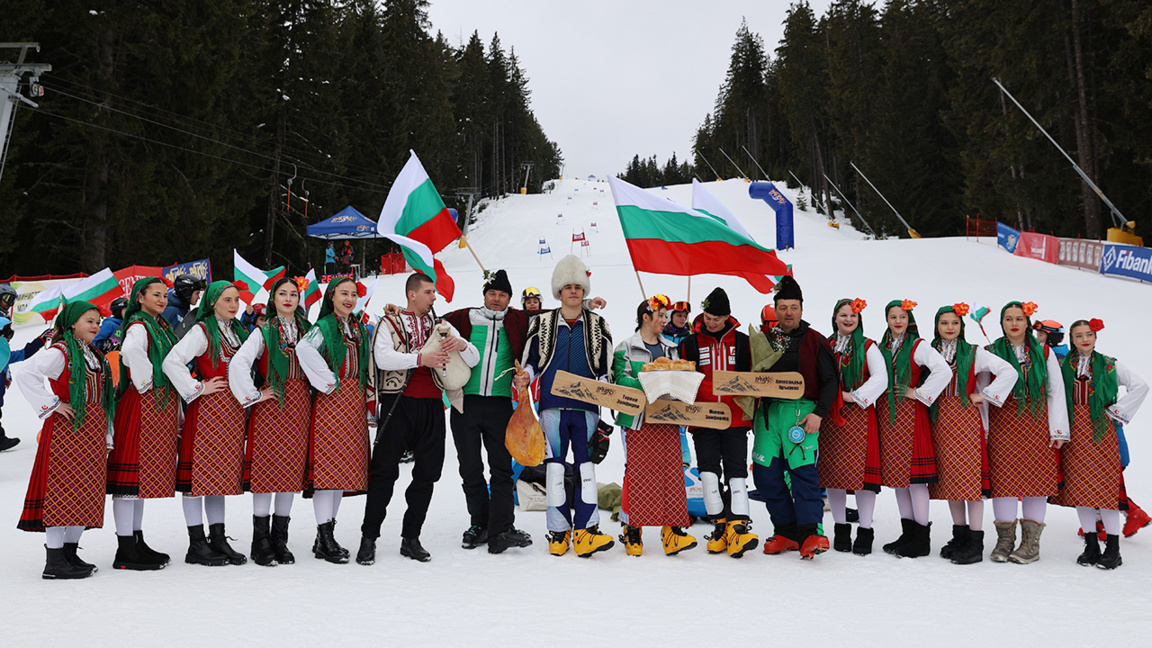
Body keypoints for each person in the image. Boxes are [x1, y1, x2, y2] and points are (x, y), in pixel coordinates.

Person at [359, 272, 479, 563]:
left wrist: (460, 345)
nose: (434, 297)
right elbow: (382, 357)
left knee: (427, 474)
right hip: (397, 403)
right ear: (412, 294)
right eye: (429, 292)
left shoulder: (441, 327)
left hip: (432, 407)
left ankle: (410, 538)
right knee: (384, 473)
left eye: (434, 292)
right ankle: (369, 537)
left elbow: (473, 358)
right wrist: (420, 359)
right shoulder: (390, 322)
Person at [514, 255, 614, 557]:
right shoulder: (543, 322)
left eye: (578, 287)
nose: (573, 292)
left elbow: (606, 366)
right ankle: (558, 532)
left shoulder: (598, 323)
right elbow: (532, 361)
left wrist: (609, 387)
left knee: (585, 468)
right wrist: (525, 378)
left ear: (584, 291)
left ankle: (587, 530)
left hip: (586, 408)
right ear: (558, 292)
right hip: (552, 407)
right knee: (555, 468)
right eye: (567, 287)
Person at [14, 301, 115, 579]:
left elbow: (102, 398)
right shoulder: (61, 352)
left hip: (91, 428)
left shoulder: (93, 353)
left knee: (86, 489)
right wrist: (52, 404)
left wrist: (106, 432)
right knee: (62, 490)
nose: (95, 326)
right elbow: (25, 372)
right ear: (72, 323)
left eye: (97, 321)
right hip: (67, 430)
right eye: (89, 321)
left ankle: (70, 553)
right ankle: (55, 560)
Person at [442, 269, 532, 554]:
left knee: (502, 469)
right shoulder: (464, 317)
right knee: (470, 468)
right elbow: (428, 320)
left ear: (509, 298)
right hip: (465, 404)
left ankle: (502, 528)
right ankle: (479, 523)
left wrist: (589, 305)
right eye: (492, 294)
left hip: (500, 404)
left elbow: (547, 314)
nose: (496, 299)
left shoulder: (518, 320)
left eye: (502, 295)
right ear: (484, 295)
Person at [162, 280, 250, 566]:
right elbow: (172, 361)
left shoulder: (237, 330)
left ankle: (218, 538)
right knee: (196, 479)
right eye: (227, 300)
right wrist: (197, 387)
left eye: (236, 300)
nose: (234, 305)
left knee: (218, 479)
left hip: (232, 412)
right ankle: (196, 543)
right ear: (213, 302)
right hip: (208, 411)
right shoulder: (202, 330)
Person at [229, 277, 313, 566]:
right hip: (273, 404)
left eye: (293, 294)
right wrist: (254, 394)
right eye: (282, 294)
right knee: (267, 472)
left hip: (300, 404)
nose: (288, 298)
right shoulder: (264, 330)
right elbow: (239, 362)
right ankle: (260, 541)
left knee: (290, 471)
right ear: (273, 299)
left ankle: (280, 539)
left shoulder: (308, 330)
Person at [753, 277, 839, 559]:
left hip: (801, 415)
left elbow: (830, 381)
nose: (788, 312)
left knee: (803, 475)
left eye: (794, 307)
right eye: (783, 307)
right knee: (766, 477)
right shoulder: (765, 340)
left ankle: (811, 532)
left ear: (801, 309)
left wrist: (819, 414)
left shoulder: (815, 341)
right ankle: (786, 531)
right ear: (775, 310)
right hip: (768, 416)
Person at [1053, 319, 1148, 569]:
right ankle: (1092, 545)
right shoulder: (1063, 365)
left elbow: (1141, 385)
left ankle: (1113, 549)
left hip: (1101, 433)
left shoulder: (1109, 365)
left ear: (1095, 338)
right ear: (1071, 339)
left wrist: (1116, 412)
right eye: (1078, 335)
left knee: (1105, 491)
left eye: (1089, 335)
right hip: (1074, 432)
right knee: (1080, 490)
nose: (1084, 339)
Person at [928, 304, 1017, 565]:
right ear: (937, 326)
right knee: (950, 481)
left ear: (961, 326)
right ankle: (961, 535)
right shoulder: (931, 351)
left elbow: (1008, 371)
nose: (950, 327)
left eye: (954, 323)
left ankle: (975, 541)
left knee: (969, 482)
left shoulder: (974, 352)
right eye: (944, 323)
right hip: (939, 419)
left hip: (965, 419)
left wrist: (986, 395)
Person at [984, 301, 1069, 564]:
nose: (1013, 324)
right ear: (1002, 323)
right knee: (1004, 482)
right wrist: (984, 429)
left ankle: (1031, 544)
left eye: (1019, 319)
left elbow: (1056, 390)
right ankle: (1005, 540)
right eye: (1008, 319)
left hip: (1036, 423)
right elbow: (984, 393)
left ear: (1027, 323)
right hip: (1003, 422)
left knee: (1035, 482)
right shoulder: (991, 351)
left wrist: (1058, 430)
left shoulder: (1043, 352)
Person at [295, 277, 372, 564]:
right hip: (332, 401)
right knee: (328, 471)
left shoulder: (358, 327)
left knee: (342, 472)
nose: (350, 299)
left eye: (353, 294)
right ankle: (325, 536)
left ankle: (324, 537)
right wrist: (326, 380)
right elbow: (304, 349)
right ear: (332, 296)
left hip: (352, 403)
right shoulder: (325, 325)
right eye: (344, 294)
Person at [106, 277, 181, 570]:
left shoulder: (157, 325)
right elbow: (131, 352)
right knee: (130, 478)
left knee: (140, 479)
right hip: (142, 404)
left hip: (154, 405)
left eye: (165, 295)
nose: (162, 300)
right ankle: (125, 549)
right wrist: (146, 382)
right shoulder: (138, 325)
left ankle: (135, 540)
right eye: (156, 295)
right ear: (140, 297)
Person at [613, 295, 697, 557]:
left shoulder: (672, 348)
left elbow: (682, 382)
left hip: (666, 418)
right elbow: (620, 382)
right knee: (636, 473)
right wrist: (654, 381)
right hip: (636, 419)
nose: (664, 320)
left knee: (671, 472)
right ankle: (632, 529)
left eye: (665, 315)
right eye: (660, 315)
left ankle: (672, 531)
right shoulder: (625, 347)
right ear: (645, 318)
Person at [678, 286, 758, 558]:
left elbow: (754, 378)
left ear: (728, 317)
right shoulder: (688, 343)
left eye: (717, 318)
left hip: (736, 418)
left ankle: (739, 527)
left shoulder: (744, 341)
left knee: (737, 473)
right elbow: (683, 380)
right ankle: (720, 527)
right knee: (709, 473)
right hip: (703, 419)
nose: (711, 323)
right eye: (708, 317)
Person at [872, 300, 951, 559]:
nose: (897, 321)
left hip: (911, 414)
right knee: (898, 480)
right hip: (888, 415)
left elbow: (943, 371)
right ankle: (908, 533)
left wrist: (918, 393)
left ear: (909, 320)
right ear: (887, 319)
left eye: (902, 317)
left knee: (915, 480)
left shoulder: (919, 346)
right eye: (893, 316)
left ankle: (921, 538)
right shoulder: (882, 346)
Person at [819, 298, 887, 556]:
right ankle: (840, 528)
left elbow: (881, 377)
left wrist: (854, 396)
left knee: (863, 478)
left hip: (859, 416)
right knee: (834, 474)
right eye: (843, 315)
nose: (848, 319)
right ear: (835, 317)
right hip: (831, 417)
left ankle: (866, 531)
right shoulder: (826, 345)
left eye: (853, 316)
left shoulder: (868, 346)